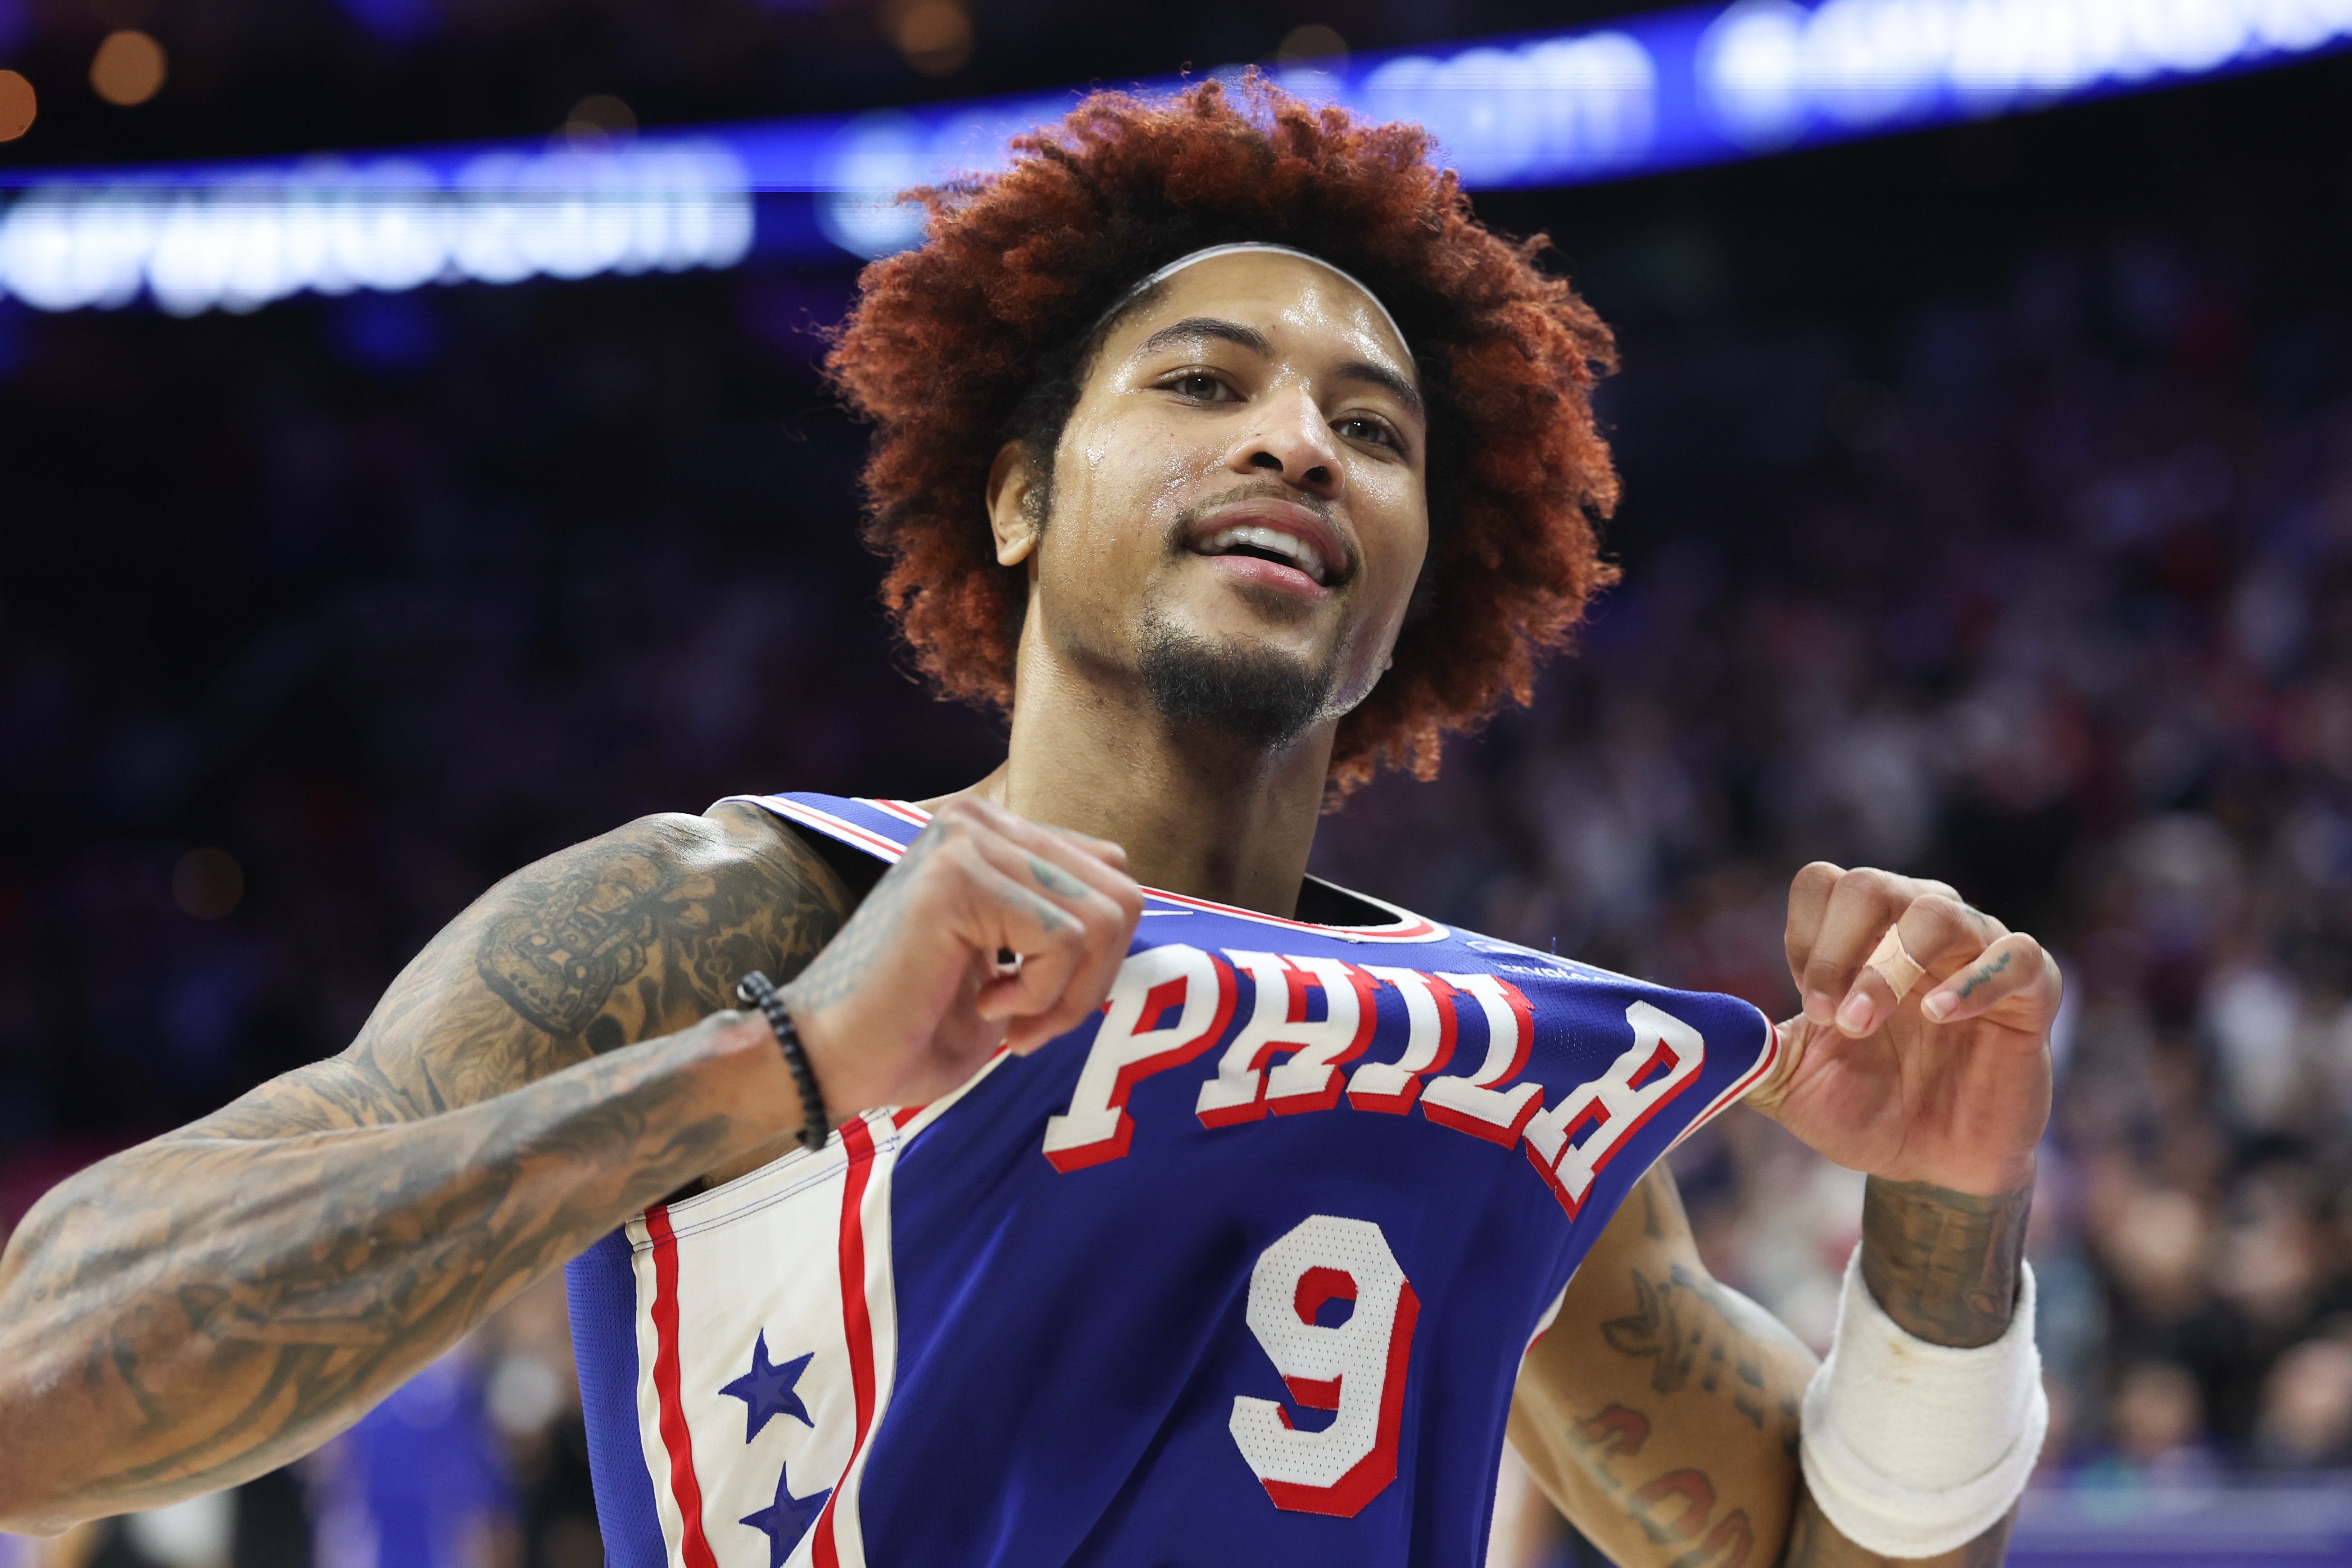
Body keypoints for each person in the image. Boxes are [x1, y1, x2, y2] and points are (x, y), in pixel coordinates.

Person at [0, 80, 2060, 1567]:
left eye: (1371, 430)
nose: (1297, 441)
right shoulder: (732, 915)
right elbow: (41, 1388)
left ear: (1419, 572)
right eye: (1201, 383)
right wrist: (774, 1067)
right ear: (1013, 494)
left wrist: (1945, 1219)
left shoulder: (1488, 1066)